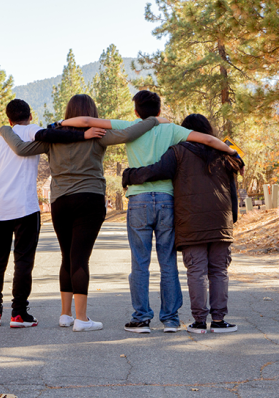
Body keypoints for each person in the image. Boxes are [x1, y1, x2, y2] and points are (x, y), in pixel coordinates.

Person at [56, 91, 236, 334]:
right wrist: (233, 153)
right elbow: (207, 140)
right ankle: (170, 319)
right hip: (166, 201)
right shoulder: (172, 129)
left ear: (136, 112)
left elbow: (87, 121)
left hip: (138, 200)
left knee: (139, 263)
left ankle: (141, 319)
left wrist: (61, 123)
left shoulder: (131, 126)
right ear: (160, 111)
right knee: (167, 262)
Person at [0, 94, 163, 332]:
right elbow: (129, 133)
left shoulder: (54, 137)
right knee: (80, 258)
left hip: (60, 201)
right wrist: (154, 121)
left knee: (67, 256)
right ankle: (82, 319)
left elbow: (21, 148)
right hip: (90, 199)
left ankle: (66, 315)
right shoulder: (97, 133)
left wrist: (6, 128)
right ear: (90, 113)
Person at [0, 99, 103, 328]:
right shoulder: (33, 130)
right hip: (25, 207)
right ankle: (18, 314)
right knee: (23, 261)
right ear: (30, 115)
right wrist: (84, 135)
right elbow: (58, 136)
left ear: (9, 119)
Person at [122, 113, 244, 333]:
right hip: (220, 221)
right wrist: (232, 218)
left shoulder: (178, 152)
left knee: (196, 271)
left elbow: (155, 171)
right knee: (219, 271)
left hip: (191, 222)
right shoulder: (224, 153)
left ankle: (198, 322)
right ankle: (219, 321)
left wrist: (130, 175)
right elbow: (232, 188)